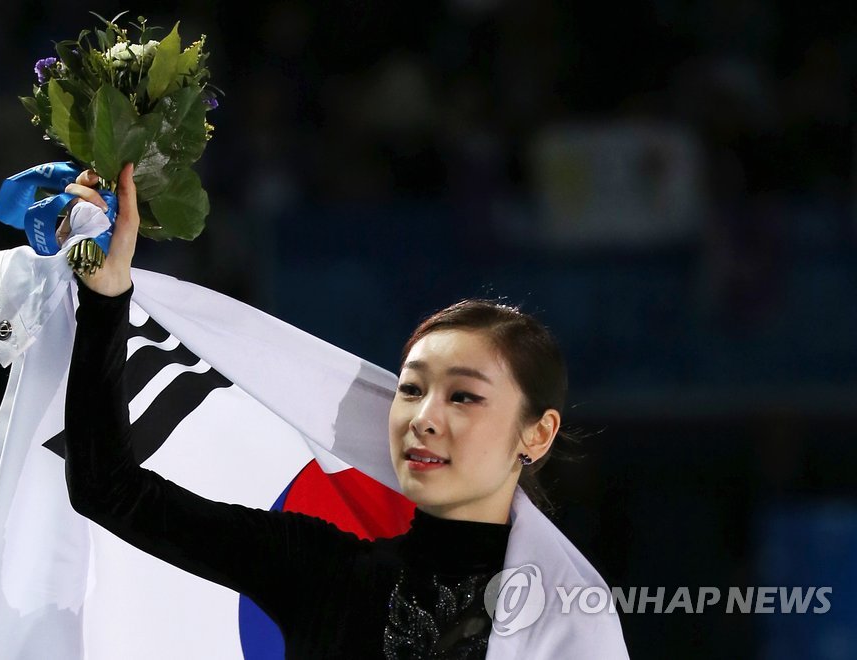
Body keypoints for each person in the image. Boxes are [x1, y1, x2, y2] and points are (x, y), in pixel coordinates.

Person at [62, 164, 627, 658]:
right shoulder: (320, 571)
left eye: (462, 396)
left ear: (538, 433)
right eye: (411, 390)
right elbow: (106, 489)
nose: (423, 418)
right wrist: (106, 299)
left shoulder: (572, 623)